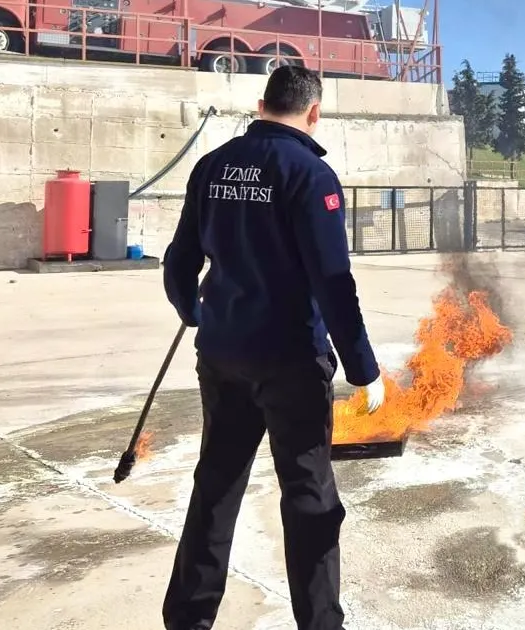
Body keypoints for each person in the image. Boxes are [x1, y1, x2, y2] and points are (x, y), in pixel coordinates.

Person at [160, 65, 385, 630]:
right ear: (314, 113)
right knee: (309, 496)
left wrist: (196, 314)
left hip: (223, 353)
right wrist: (363, 369)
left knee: (216, 484)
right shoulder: (310, 175)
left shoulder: (211, 167)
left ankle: (189, 617)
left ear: (262, 104)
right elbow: (334, 282)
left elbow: (180, 261)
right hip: (289, 361)